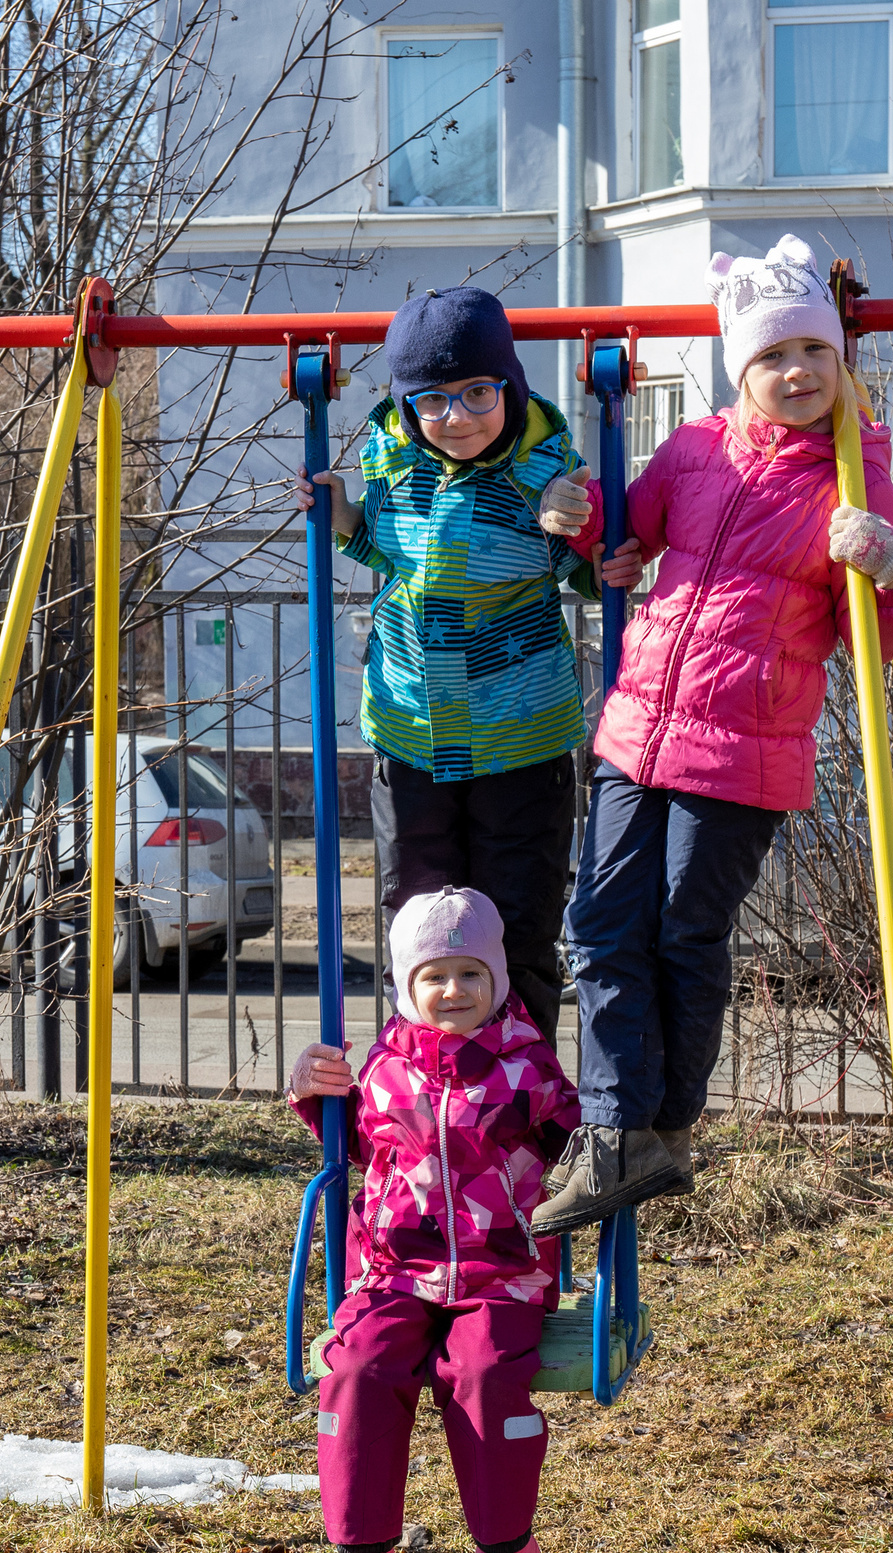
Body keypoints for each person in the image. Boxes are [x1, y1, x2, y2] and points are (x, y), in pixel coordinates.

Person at [532, 235, 893, 1233]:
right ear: (737, 368)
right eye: (768, 357)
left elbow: (874, 637)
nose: (793, 373)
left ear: (839, 363)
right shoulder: (694, 450)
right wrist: (576, 520)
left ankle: (660, 1129)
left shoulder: (850, 475)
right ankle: (621, 1134)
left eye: (811, 354)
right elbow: (625, 540)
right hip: (633, 730)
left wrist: (887, 569)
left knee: (680, 932)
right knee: (598, 927)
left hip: (741, 754)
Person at [295, 287, 596, 1041]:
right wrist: (345, 523)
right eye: (431, 400)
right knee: (418, 922)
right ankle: (426, 1097)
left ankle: (520, 1106)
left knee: (516, 922)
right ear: (404, 406)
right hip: (411, 732)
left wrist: (582, 518)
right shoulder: (394, 461)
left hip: (518, 739)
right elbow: (394, 558)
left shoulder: (545, 473)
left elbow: (594, 568)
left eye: (476, 394)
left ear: (510, 388)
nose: (455, 417)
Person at [289, 887, 579, 1553]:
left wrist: (617, 1129)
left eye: (470, 975)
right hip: (392, 1270)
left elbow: (578, 1144)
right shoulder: (381, 1070)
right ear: (406, 986)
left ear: (499, 982)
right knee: (358, 1370)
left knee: (482, 1375)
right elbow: (347, 1145)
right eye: (434, 977)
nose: (453, 991)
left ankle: (504, 1547)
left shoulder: (526, 1069)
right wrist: (309, 1091)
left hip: (501, 1273)